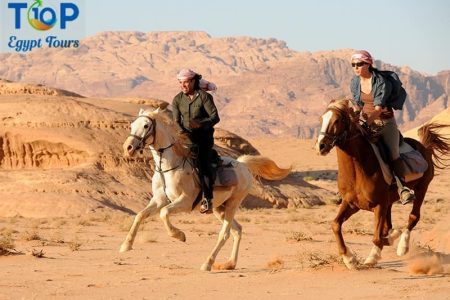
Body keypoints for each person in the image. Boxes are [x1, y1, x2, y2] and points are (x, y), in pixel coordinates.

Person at [350, 50, 415, 205]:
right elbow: (358, 105)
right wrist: (354, 119)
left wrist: (365, 123)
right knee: (352, 148)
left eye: (359, 64)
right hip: (366, 122)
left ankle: (403, 188)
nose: (356, 67)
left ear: (368, 64)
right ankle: (347, 189)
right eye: (353, 65)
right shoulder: (354, 81)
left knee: (393, 153)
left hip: (385, 123)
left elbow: (378, 109)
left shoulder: (380, 81)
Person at [172, 69, 220, 214]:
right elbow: (176, 120)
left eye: (186, 82)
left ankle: (208, 199)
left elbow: (215, 117)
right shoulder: (177, 99)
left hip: (203, 139)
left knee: (202, 164)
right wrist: (182, 132)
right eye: (180, 82)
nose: (183, 85)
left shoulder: (204, 97)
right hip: (185, 138)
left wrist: (201, 124)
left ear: (193, 81)